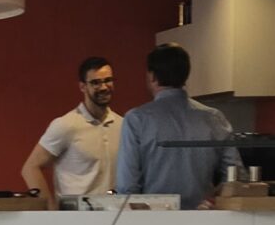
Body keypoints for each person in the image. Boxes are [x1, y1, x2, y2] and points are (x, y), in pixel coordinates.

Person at [114, 43, 237, 207]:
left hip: (154, 220)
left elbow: (126, 187)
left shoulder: (136, 120)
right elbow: (235, 177)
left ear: (152, 76)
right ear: (186, 75)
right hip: (204, 219)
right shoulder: (213, 118)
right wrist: (211, 200)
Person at [21, 56, 122, 204]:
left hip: (114, 218)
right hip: (75, 219)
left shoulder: (123, 125)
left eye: (108, 80)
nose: (104, 87)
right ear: (82, 87)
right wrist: (51, 211)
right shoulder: (66, 125)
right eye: (95, 82)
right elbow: (30, 168)